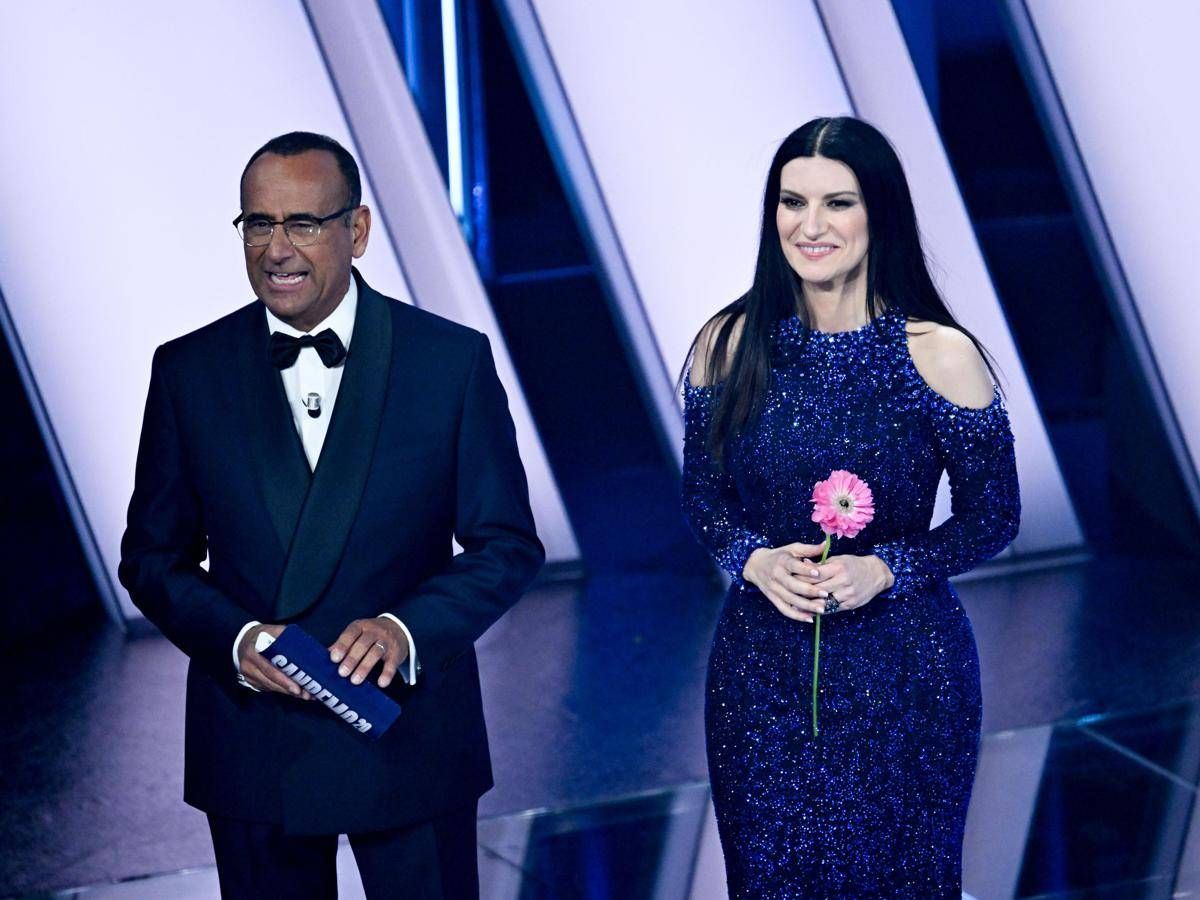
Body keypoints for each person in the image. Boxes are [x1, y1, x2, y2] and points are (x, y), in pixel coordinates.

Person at [119, 131, 544, 899]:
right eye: (258, 224)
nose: (277, 250)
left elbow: (506, 544)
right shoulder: (188, 371)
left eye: (304, 224)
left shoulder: (449, 361)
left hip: (410, 736)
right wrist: (236, 639)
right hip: (254, 745)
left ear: (358, 230)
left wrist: (406, 631)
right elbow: (151, 556)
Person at [682, 117, 1020, 897]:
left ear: (880, 213)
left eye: (838, 203)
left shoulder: (937, 352)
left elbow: (994, 514)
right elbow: (702, 495)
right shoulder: (729, 344)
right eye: (792, 202)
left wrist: (887, 568)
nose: (811, 226)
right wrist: (752, 559)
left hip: (906, 674)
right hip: (760, 675)